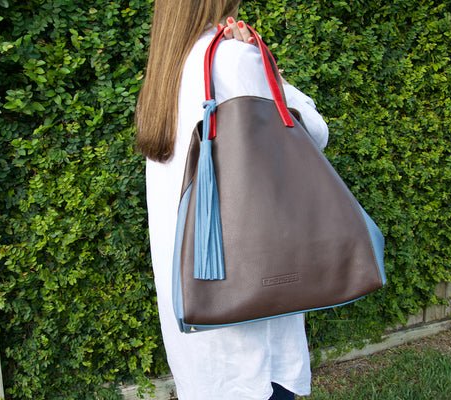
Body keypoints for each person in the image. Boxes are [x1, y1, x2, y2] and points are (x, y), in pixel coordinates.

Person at [136, 1, 329, 399]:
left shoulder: (165, 71)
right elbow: (313, 132)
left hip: (195, 313)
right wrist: (268, 69)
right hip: (251, 323)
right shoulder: (232, 58)